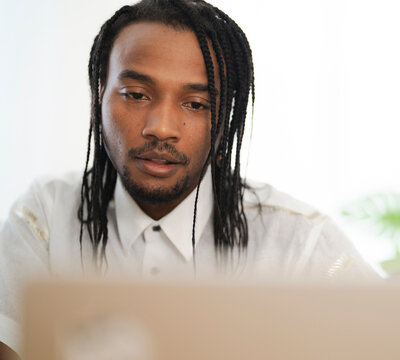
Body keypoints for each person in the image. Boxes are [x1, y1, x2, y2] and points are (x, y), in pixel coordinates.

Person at [0, 0, 377, 358]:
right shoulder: (45, 218)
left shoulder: (299, 243)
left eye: (195, 104)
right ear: (99, 95)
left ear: (226, 116)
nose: (161, 128)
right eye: (136, 94)